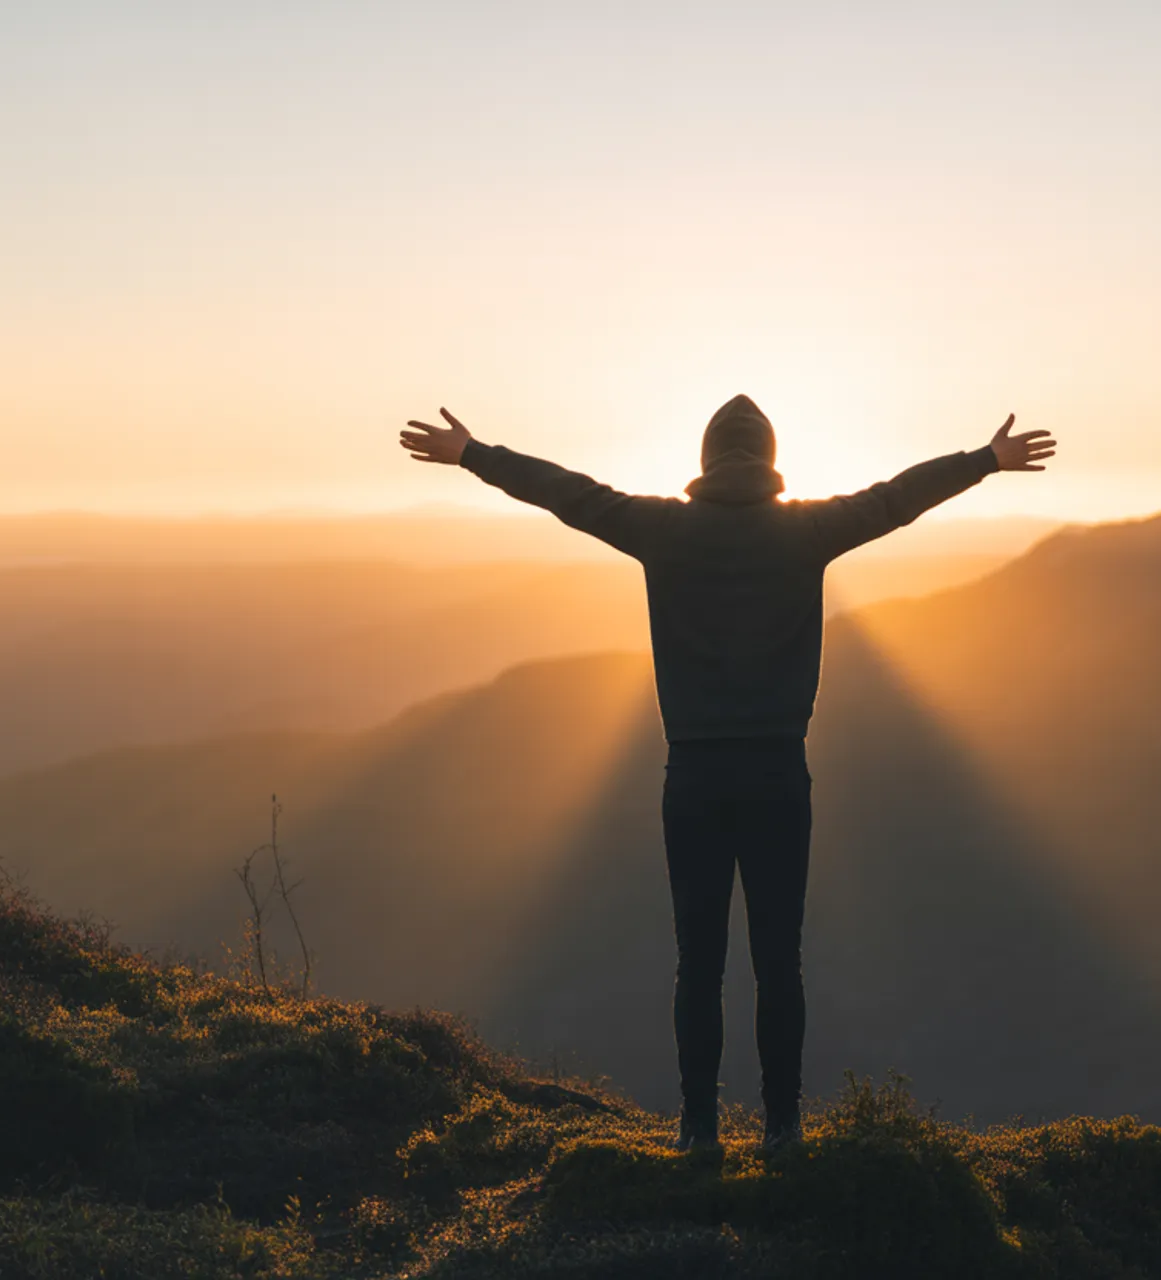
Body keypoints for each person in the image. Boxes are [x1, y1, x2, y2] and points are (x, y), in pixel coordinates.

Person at [398, 395, 1055, 1152]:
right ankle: (781, 1129)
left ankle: (698, 1129)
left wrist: (472, 453)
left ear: (707, 460)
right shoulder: (805, 529)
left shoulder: (663, 530)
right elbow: (895, 500)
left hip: (695, 778)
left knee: (698, 963)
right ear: (771, 460)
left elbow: (565, 492)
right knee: (780, 962)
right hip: (780, 775)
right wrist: (984, 461)